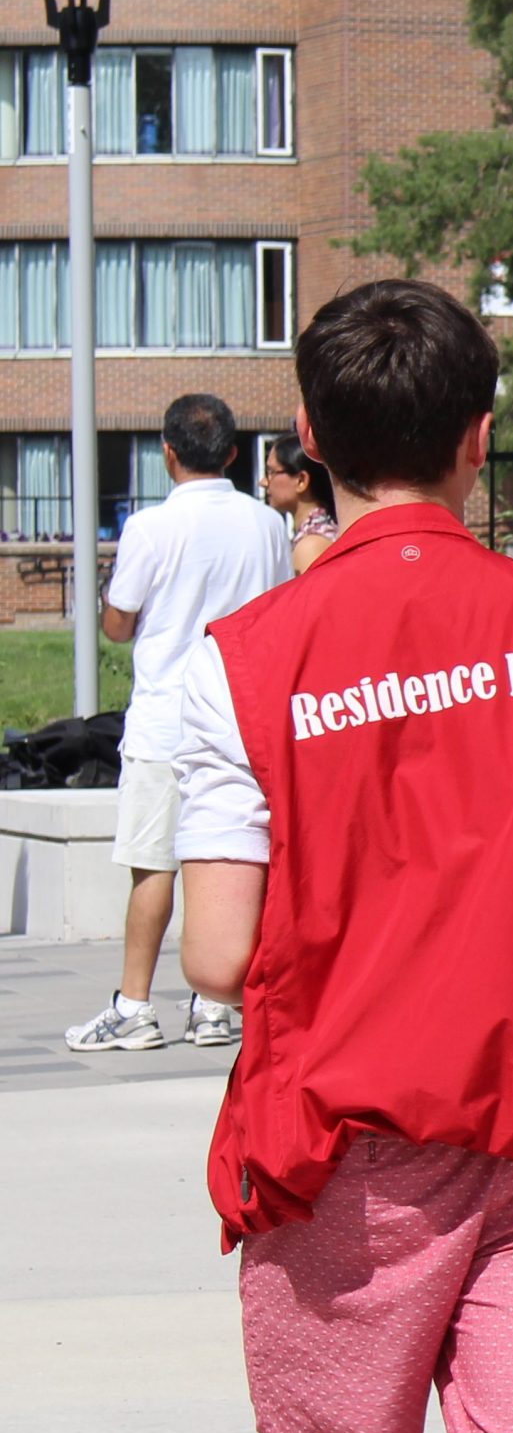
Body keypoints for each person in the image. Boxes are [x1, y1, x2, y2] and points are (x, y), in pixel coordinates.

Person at [172, 279, 513, 1433]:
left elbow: (220, 953)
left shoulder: (243, 662)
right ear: (481, 434)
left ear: (312, 438)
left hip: (344, 1139)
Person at [65, 394, 287, 1052]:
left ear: (167, 453)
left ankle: (135, 1005)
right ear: (232, 452)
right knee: (235, 857)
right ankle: (218, 1005)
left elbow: (117, 622)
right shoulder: (265, 524)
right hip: (243, 717)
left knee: (152, 865)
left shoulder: (151, 528)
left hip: (168, 717)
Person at [260, 431, 338, 575]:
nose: (263, 482)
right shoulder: (317, 533)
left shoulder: (312, 546)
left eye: (271, 472)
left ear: (301, 480)